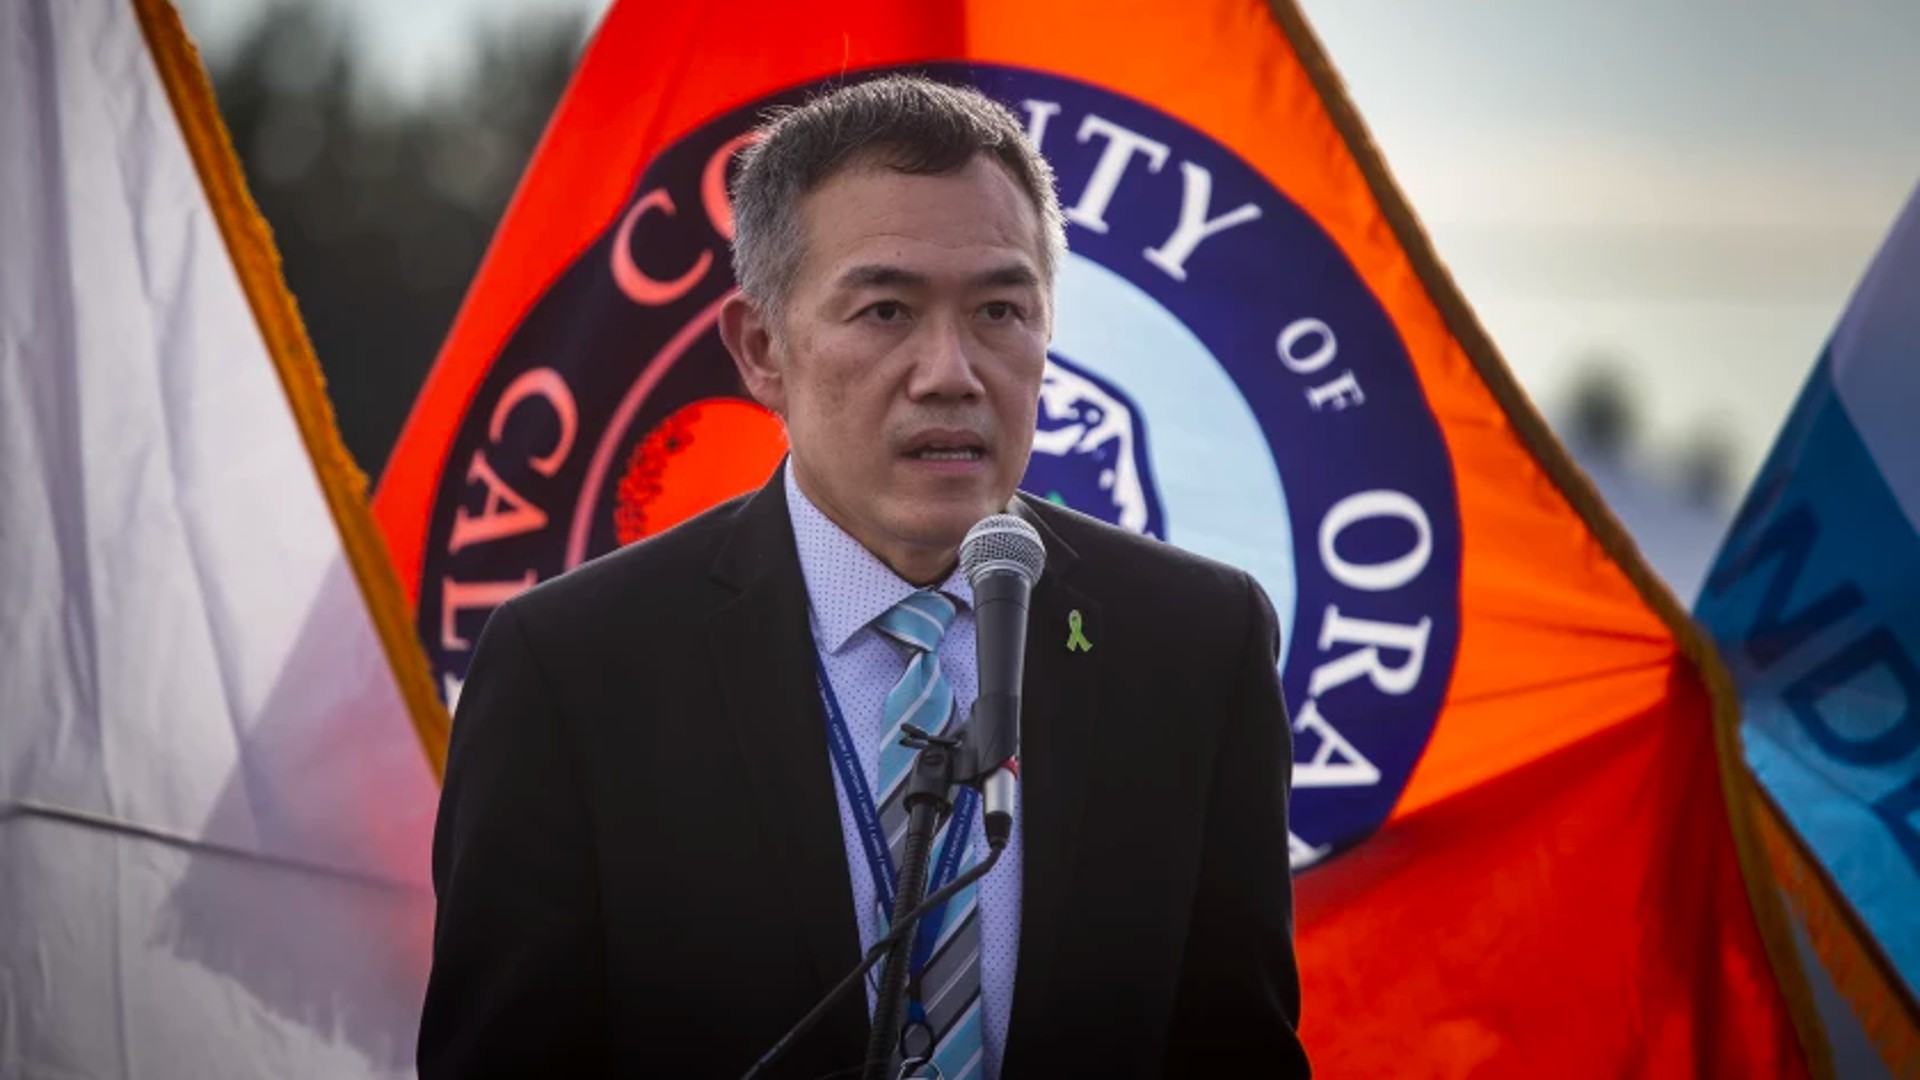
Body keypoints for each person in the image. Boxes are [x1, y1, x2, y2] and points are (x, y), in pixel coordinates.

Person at [419, 74, 1309, 1079]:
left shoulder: (1195, 644)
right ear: (762, 349)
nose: (950, 371)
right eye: (885, 310)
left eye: (1001, 311)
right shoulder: (574, 670)